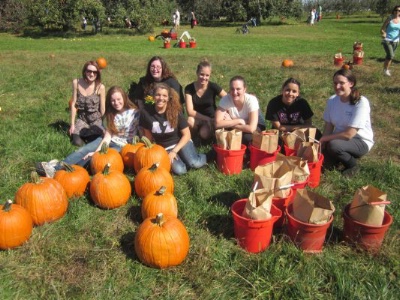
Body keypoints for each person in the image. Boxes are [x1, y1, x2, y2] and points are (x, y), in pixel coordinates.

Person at [37, 87, 140, 178]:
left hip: (122, 146)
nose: (116, 103)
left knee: (91, 159)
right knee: (83, 150)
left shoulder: (135, 112)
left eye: (118, 99)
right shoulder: (111, 114)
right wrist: (97, 150)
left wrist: (95, 154)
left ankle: (62, 171)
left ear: (124, 98)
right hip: (108, 140)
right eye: (113, 100)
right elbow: (107, 137)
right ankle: (55, 167)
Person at [140, 83, 207, 175]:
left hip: (181, 143)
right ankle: (184, 160)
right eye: (158, 95)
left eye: (164, 96)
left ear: (168, 98)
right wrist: (151, 155)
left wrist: (174, 151)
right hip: (164, 148)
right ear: (153, 96)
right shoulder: (146, 113)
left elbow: (187, 135)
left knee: (194, 163)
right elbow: (149, 138)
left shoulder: (175, 111)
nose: (161, 98)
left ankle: (208, 155)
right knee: (180, 170)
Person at [320, 69, 374, 177]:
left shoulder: (360, 102)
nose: (337, 86)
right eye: (335, 83)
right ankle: (337, 156)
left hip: (360, 141)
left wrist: (325, 139)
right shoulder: (332, 100)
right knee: (325, 161)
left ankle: (352, 165)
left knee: (334, 145)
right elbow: (329, 126)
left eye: (341, 83)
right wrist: (321, 145)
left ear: (351, 83)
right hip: (339, 139)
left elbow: (349, 134)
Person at [185, 60, 227, 142]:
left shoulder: (213, 86)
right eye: (202, 74)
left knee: (204, 134)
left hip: (212, 118)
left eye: (207, 75)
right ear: (197, 73)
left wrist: (224, 112)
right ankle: (192, 138)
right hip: (197, 118)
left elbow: (227, 98)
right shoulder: (189, 88)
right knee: (189, 120)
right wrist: (206, 119)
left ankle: (206, 134)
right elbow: (190, 111)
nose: (204, 78)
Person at [215, 76, 264, 146]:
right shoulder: (225, 99)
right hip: (241, 124)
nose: (235, 92)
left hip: (256, 123)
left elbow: (251, 128)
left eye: (238, 89)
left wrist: (231, 122)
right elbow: (217, 124)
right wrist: (239, 121)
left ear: (244, 89)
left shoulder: (252, 100)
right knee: (222, 136)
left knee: (247, 138)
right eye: (232, 89)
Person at [69, 61, 106, 147]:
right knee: (77, 142)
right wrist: (72, 124)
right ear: (85, 71)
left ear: (97, 74)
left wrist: (106, 127)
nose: (91, 74)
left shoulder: (100, 87)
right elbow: (74, 104)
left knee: (94, 142)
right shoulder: (76, 83)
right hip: (82, 119)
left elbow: (103, 109)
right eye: (89, 71)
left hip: (95, 120)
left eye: (94, 72)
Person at [380, 5, 400, 76]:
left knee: (389, 56)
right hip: (387, 40)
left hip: (396, 41)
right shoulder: (389, 18)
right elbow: (382, 29)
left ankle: (386, 69)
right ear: (394, 10)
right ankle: (385, 70)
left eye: (399, 11)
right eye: (396, 10)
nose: (397, 12)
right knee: (391, 55)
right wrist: (384, 33)